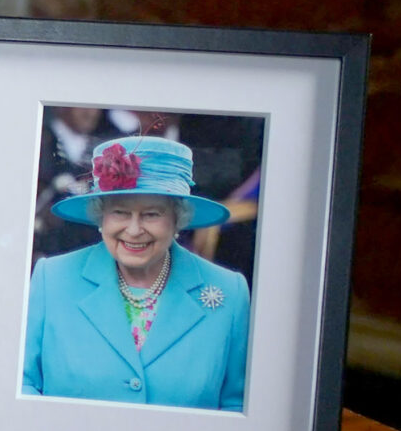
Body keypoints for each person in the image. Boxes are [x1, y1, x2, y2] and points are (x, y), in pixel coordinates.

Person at [20, 135, 251, 412]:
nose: (133, 230)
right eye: (120, 212)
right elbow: (22, 384)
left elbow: (237, 407)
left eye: (152, 214)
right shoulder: (51, 279)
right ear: (100, 216)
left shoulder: (230, 292)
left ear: (178, 218)